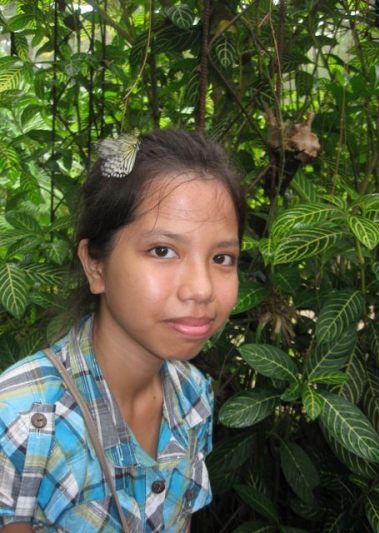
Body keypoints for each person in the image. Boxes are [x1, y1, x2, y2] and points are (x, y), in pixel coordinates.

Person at [0, 129, 245, 532]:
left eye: (222, 257)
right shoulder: (23, 422)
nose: (202, 289)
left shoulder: (192, 395)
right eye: (163, 251)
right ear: (95, 265)